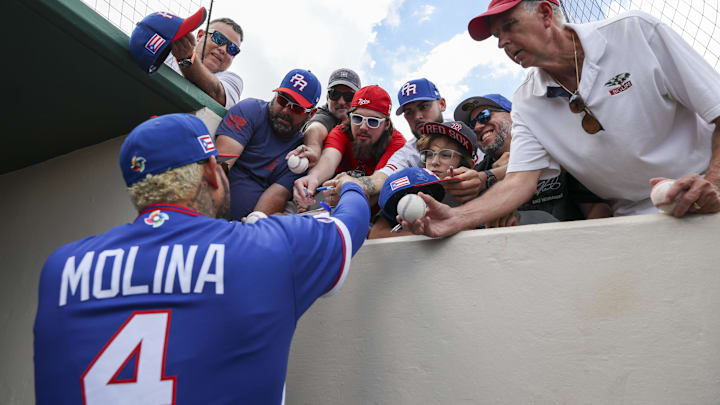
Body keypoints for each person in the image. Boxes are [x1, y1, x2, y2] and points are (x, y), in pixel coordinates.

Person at [33, 113, 370, 404]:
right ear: (211, 172)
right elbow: (349, 225)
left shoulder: (60, 267)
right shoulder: (269, 248)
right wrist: (351, 186)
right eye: (221, 167)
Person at [401, 0, 720, 237]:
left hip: (707, 188)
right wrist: (455, 219)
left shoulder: (635, 32)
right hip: (634, 221)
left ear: (544, 13)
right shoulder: (527, 102)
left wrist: (713, 184)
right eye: (497, 35)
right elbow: (518, 182)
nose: (501, 43)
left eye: (509, 26)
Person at [453, 94, 611, 220]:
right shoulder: (476, 175)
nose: (478, 127)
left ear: (513, 115)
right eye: (471, 125)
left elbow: (597, 210)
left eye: (484, 116)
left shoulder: (553, 148)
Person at [323, 78, 471, 207]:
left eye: (424, 106)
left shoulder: (470, 130)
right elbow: (382, 177)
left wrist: (485, 178)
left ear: (442, 104)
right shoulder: (409, 150)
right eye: (409, 111)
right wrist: (355, 184)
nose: (418, 116)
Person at [215, 68, 321, 220]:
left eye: (297, 108)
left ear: (311, 114)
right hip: (206, 210)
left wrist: (246, 229)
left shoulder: (299, 153)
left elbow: (273, 199)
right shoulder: (250, 110)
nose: (285, 110)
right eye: (282, 99)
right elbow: (219, 167)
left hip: (242, 230)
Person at [293, 85, 406, 211]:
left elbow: (381, 183)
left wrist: (347, 191)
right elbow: (328, 160)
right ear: (349, 117)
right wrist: (312, 179)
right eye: (357, 119)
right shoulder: (341, 131)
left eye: (372, 121)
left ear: (386, 125)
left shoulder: (397, 143)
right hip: (336, 198)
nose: (363, 127)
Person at [370, 121, 477, 238]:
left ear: (467, 164)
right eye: (429, 154)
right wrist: (424, 232)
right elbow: (376, 234)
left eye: (446, 155)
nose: (434, 162)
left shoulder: (479, 194)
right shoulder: (411, 185)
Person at [288, 68, 362, 168]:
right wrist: (312, 149)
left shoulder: (367, 119)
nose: (341, 101)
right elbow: (316, 128)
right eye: (334, 94)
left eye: (349, 96)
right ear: (327, 98)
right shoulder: (324, 115)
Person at [167, 16, 245, 108]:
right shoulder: (168, 52)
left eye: (232, 49)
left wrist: (186, 58)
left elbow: (216, 92)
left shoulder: (233, 80)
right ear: (200, 35)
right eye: (218, 38)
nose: (223, 50)